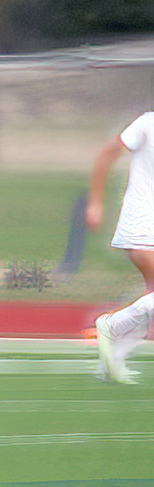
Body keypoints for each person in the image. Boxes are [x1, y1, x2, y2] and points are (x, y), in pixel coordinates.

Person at [87, 108, 154, 384]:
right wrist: (96, 202)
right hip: (142, 223)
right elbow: (107, 155)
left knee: (150, 298)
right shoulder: (148, 123)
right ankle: (111, 325)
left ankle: (111, 362)